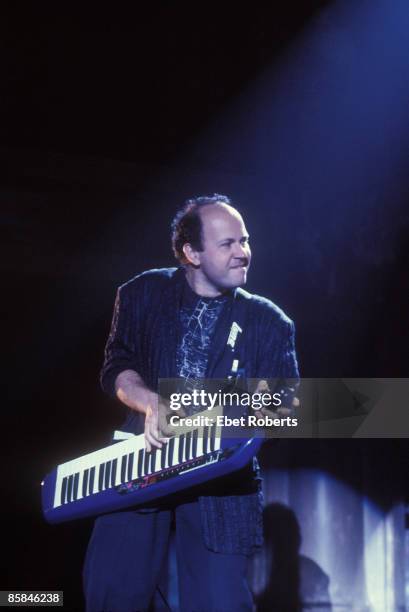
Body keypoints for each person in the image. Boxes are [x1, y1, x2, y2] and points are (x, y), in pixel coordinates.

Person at [83, 194, 299, 612]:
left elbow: (283, 412)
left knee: (219, 603)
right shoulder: (140, 293)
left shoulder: (270, 322)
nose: (243, 253)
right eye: (227, 244)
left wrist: (225, 418)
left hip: (225, 478)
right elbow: (117, 369)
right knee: (113, 593)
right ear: (191, 253)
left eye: (245, 241)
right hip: (141, 459)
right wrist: (150, 403)